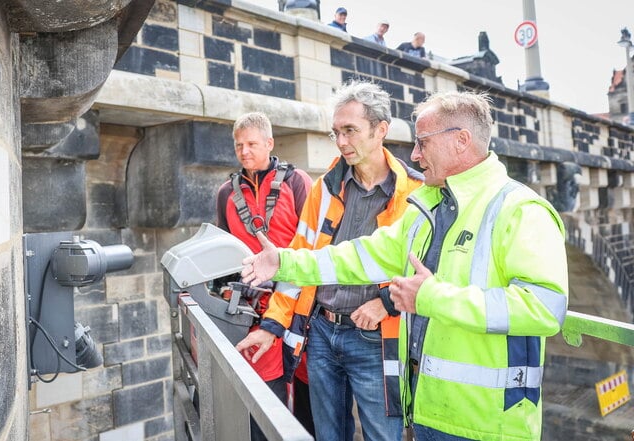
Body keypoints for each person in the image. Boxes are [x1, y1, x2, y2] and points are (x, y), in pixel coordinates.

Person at [240, 91, 569, 441]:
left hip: (489, 426)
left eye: (423, 142)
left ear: (461, 141)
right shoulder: (426, 207)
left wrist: (430, 298)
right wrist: (283, 262)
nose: (414, 154)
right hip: (429, 414)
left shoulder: (520, 210)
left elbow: (545, 309)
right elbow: (358, 256)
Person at [236, 80, 424, 441]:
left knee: (382, 436)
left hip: (376, 338)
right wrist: (272, 325)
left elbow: (427, 271)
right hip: (321, 333)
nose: (340, 143)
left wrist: (386, 303)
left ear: (381, 130)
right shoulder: (325, 187)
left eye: (350, 131)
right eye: (335, 133)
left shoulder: (415, 193)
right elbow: (301, 259)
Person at [216, 111, 312, 441]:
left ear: (269, 143)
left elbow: (312, 241)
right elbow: (222, 250)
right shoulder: (225, 193)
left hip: (298, 298)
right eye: (238, 145)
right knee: (263, 393)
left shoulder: (296, 182)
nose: (244, 151)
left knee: (307, 390)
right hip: (252, 306)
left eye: (252, 144)